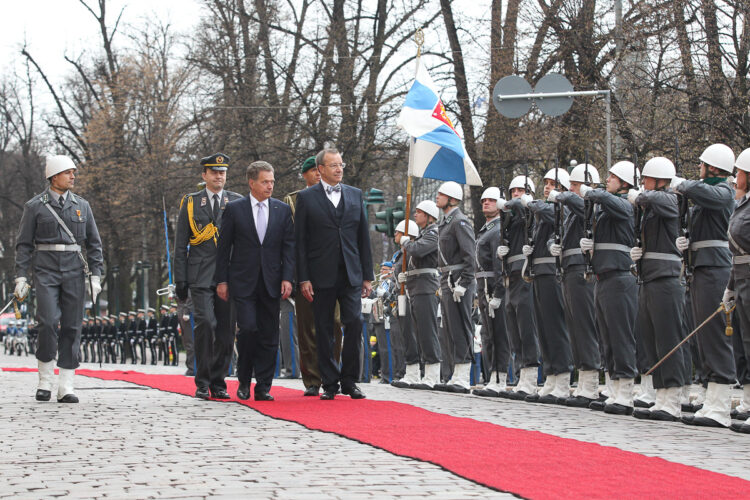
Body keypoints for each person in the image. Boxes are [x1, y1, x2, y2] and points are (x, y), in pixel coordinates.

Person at [14, 154, 104, 403]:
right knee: (47, 321)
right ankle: (45, 379)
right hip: (45, 270)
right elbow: (23, 245)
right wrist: (21, 276)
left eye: (74, 172)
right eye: (68, 172)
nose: (73, 176)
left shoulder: (82, 205)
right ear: (54, 177)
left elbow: (94, 244)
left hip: (75, 271)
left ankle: (66, 384)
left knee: (73, 326)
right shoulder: (35, 206)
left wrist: (96, 275)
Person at [295, 148, 374, 400]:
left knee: (353, 322)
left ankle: (349, 380)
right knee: (324, 329)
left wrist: (367, 275)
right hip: (320, 275)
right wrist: (303, 278)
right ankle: (329, 382)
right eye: (333, 165)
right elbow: (301, 242)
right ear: (320, 170)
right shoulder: (306, 198)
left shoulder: (355, 194)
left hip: (350, 273)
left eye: (341, 164)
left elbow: (363, 237)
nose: (339, 169)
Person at [215, 161, 294, 401]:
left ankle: (263, 386)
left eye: (272, 182)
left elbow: (288, 248)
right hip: (243, 281)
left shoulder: (281, 210)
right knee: (248, 329)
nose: (270, 186)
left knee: (270, 334)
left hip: (272, 281)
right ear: (252, 183)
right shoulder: (235, 210)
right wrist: (222, 280)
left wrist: (288, 278)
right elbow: (224, 248)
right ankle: (244, 379)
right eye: (265, 182)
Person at [670, 144, 737, 428]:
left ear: (712, 167)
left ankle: (721, 405)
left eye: (701, 165)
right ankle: (711, 399)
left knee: (715, 335)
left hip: (716, 268)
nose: (698, 170)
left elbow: (705, 194)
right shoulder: (704, 194)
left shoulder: (723, 191)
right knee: (702, 337)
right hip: (701, 267)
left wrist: (682, 184)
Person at [174, 153, 242, 400]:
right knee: (206, 324)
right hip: (200, 275)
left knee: (225, 330)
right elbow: (181, 244)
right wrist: (180, 280)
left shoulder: (236, 201)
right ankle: (202, 381)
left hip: (228, 276)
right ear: (204, 175)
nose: (219, 176)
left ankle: (219, 381)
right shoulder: (191, 203)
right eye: (214, 172)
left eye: (222, 172)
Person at [630, 157, 689, 422]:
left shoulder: (670, 199)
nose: (643, 185)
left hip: (667, 277)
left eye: (646, 180)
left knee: (668, 338)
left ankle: (673, 399)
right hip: (650, 276)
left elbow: (663, 202)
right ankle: (661, 394)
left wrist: (642, 195)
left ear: (659, 180)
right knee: (652, 338)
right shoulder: (652, 205)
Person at [579, 161, 640, 414]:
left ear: (624, 183)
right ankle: (614, 387)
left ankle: (625, 391)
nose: (608, 181)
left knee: (620, 335)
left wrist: (591, 192)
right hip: (603, 276)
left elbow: (610, 201)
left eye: (612, 178)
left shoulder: (625, 204)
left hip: (620, 276)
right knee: (607, 337)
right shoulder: (607, 207)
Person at [283, 156, 344, 396]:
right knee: (307, 327)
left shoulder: (338, 195)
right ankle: (312, 379)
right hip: (306, 272)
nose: (318, 175)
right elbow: (292, 241)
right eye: (312, 171)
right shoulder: (294, 200)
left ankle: (332, 373)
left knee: (335, 324)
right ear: (306, 174)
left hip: (334, 272)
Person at [551, 163, 602, 407]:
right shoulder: (570, 210)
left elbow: (584, 209)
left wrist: (564, 196)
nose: (571, 189)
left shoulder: (587, 205)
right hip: (569, 269)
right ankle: (583, 379)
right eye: (569, 185)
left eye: (575, 184)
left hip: (583, 269)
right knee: (574, 327)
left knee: (585, 326)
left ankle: (591, 382)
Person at [498, 176, 541, 400]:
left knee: (526, 327)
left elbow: (524, 211)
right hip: (511, 274)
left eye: (520, 190)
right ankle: (521, 374)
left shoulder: (529, 212)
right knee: (514, 328)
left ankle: (531, 376)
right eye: (512, 190)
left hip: (525, 274)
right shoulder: (510, 217)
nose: (516, 193)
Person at [433, 181, 476, 393]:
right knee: (450, 328)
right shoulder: (446, 223)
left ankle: (463, 373)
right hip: (447, 279)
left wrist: (465, 282)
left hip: (459, 279)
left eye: (441, 195)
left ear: (451, 199)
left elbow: (470, 255)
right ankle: (454, 371)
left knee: (461, 326)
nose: (437, 197)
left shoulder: (460, 222)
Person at [397, 200, 442, 389]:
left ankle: (432, 375)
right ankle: (419, 373)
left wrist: (407, 241)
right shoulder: (424, 234)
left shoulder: (434, 233)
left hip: (426, 286)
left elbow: (418, 250)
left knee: (427, 331)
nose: (415, 215)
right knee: (418, 332)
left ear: (429, 216)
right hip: (417, 287)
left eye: (419, 212)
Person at [472, 187, 511, 397]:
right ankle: (491, 376)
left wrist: (497, 293)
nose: (486, 203)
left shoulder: (497, 230)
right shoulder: (487, 229)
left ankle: (500, 376)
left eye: (491, 200)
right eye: (484, 200)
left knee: (498, 333)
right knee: (488, 334)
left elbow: (498, 265)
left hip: (491, 285)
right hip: (483, 285)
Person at [728, 148, 750, 433]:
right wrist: (731, 286)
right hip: (743, 277)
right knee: (745, 343)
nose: (736, 178)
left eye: (740, 172)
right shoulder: (742, 205)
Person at [176, 296, 195, 375]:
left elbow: (190, 295)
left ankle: (193, 368)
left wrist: (186, 311)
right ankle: (191, 367)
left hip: (187, 313)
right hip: (182, 311)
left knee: (190, 342)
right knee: (187, 342)